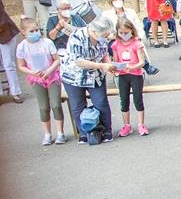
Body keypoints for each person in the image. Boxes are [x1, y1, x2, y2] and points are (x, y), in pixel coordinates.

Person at [60, 15, 115, 144]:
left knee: (101, 102)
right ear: (95, 31)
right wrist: (102, 65)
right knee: (78, 104)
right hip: (74, 75)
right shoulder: (77, 36)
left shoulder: (101, 38)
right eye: (104, 34)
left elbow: (104, 53)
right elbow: (78, 61)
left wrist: (109, 65)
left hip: (95, 75)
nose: (106, 37)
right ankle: (84, 133)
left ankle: (106, 130)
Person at [15, 17, 65, 145]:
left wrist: (49, 70)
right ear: (24, 32)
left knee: (56, 104)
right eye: (31, 31)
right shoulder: (22, 47)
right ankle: (47, 134)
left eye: (37, 30)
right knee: (43, 107)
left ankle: (60, 132)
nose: (35, 33)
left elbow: (56, 59)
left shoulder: (47, 43)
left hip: (51, 75)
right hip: (36, 78)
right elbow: (21, 65)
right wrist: (32, 72)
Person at [101, 0, 157, 76]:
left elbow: (138, 26)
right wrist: (110, 36)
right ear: (111, 2)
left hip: (131, 37)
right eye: (115, 0)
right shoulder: (106, 15)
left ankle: (142, 66)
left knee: (134, 46)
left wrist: (139, 36)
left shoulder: (130, 12)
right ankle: (146, 66)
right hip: (116, 39)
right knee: (117, 47)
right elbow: (104, 31)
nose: (118, 2)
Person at [110, 18, 148, 138]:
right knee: (124, 100)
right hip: (123, 76)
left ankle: (141, 124)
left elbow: (142, 62)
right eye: (121, 33)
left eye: (126, 32)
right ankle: (126, 125)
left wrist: (131, 67)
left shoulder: (137, 43)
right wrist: (115, 68)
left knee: (138, 99)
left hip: (135, 75)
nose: (123, 35)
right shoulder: (116, 44)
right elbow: (115, 61)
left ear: (131, 30)